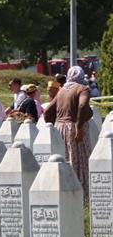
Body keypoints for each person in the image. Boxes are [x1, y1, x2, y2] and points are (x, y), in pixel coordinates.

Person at [43, 66, 93, 200]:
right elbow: (82, 106)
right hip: (74, 127)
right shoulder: (83, 89)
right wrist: (79, 126)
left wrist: (52, 127)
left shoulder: (61, 90)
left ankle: (65, 194)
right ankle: (81, 195)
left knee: (64, 159)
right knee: (79, 160)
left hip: (60, 128)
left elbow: (47, 111)